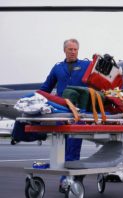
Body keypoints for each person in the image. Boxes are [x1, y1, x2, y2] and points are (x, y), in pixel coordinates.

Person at [39, 38, 90, 192]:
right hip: (61, 112)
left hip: (78, 112)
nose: (73, 52)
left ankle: (67, 180)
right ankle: (70, 177)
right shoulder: (57, 68)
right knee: (61, 147)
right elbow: (46, 87)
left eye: (75, 49)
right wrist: (37, 98)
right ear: (65, 50)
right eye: (70, 49)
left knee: (73, 146)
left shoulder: (86, 65)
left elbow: (98, 79)